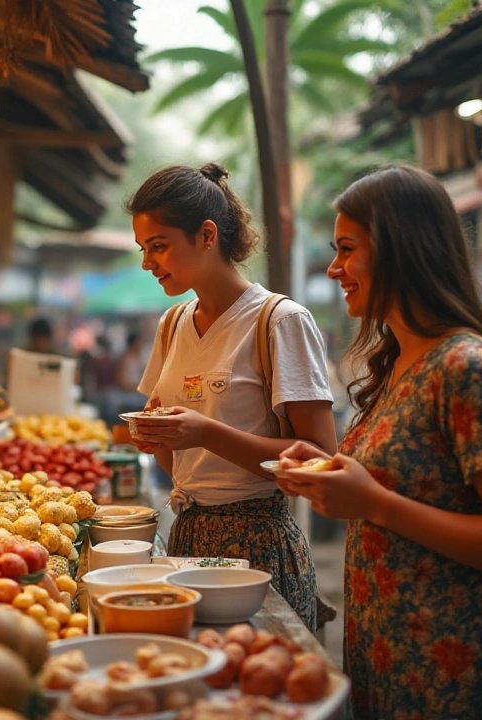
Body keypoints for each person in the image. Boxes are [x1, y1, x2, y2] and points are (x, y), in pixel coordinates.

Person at [276, 165, 482, 719]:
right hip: (386, 659)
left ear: (402, 249)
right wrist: (332, 469)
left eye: (347, 249)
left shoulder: (464, 367)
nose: (334, 268)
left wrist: (372, 502)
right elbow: (416, 480)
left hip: (455, 673)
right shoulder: (400, 360)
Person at [125, 163, 338, 631]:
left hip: (258, 545)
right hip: (187, 536)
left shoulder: (279, 321)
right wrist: (156, 437)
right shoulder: (173, 324)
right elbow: (179, 466)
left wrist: (203, 431)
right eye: (143, 249)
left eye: (158, 247)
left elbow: (320, 456)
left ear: (206, 235)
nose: (147, 263)